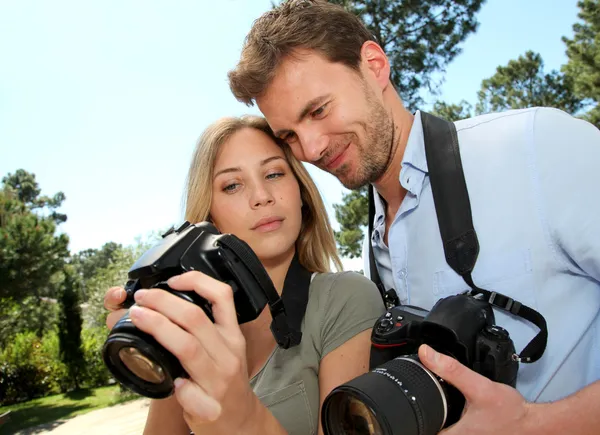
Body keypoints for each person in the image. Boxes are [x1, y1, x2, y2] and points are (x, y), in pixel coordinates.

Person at [227, 0, 600, 433]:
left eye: (318, 110)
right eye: (289, 134)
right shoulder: (377, 241)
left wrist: (537, 424)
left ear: (374, 65)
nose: (310, 150)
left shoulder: (537, 145)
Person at [103, 115, 385, 435]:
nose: (261, 196)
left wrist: (238, 417)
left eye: (274, 173)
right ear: (208, 219)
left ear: (301, 193)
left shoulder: (344, 298)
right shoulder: (194, 322)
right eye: (233, 185)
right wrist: (161, 341)